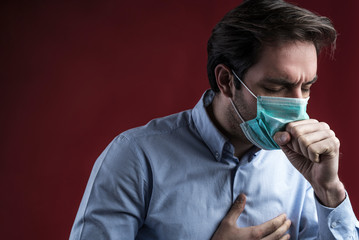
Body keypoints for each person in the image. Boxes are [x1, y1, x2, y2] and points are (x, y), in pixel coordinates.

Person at [70, 0, 359, 239]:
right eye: (275, 88)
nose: (297, 105)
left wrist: (329, 190)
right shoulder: (135, 157)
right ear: (225, 81)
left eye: (306, 87)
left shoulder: (305, 166)